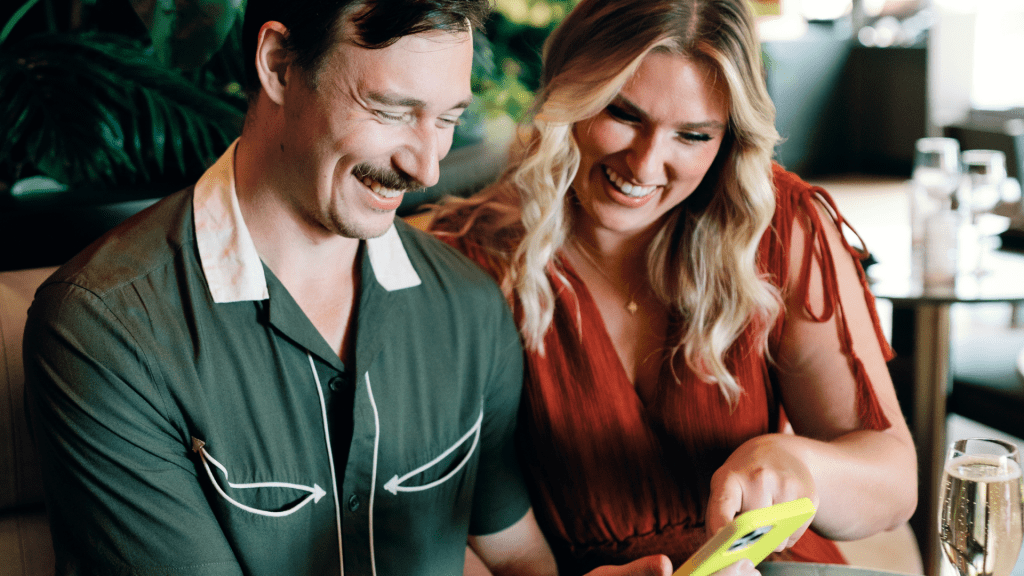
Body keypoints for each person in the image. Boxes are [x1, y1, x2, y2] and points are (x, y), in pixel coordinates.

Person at [22, 1, 711, 574]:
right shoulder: (106, 328)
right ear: (279, 65)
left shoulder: (469, 306)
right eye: (390, 109)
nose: (426, 166)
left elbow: (516, 558)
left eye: (446, 119)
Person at [428, 0, 919, 574]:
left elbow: (893, 482)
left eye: (692, 135)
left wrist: (799, 464)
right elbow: (419, 522)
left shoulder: (779, 226)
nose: (645, 164)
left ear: (728, 139)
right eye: (624, 114)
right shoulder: (462, 258)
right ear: (568, 93)